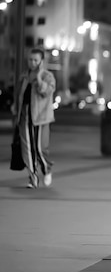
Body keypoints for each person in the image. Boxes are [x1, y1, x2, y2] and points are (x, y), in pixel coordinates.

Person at [12, 47, 56, 188]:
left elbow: (46, 92)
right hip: (24, 115)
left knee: (39, 148)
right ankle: (33, 178)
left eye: (35, 60)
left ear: (41, 61)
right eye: (30, 59)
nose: (32, 63)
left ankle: (46, 169)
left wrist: (38, 77)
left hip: (40, 117)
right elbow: (18, 95)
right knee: (27, 148)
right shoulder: (24, 76)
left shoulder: (47, 76)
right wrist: (15, 109)